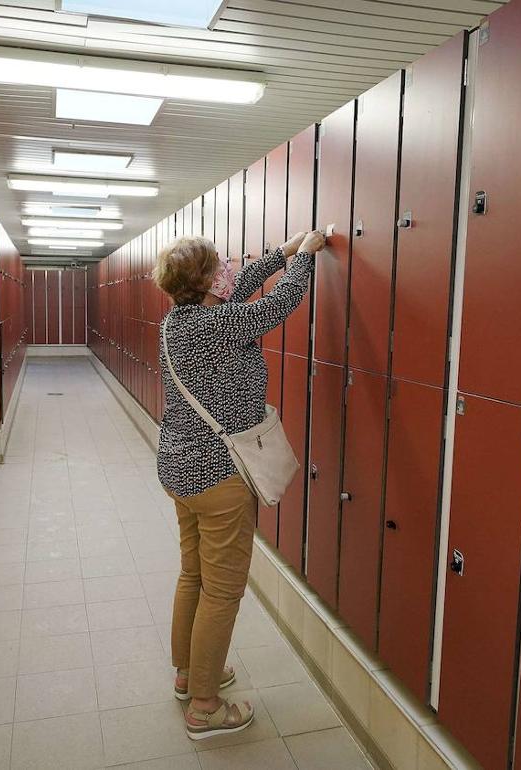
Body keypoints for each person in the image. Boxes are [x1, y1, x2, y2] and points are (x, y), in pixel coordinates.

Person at [153, 229, 326, 739]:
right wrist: (305, 259)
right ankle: (205, 707)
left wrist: (281, 253)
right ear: (207, 282)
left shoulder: (180, 321)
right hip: (219, 476)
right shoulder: (218, 324)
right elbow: (276, 306)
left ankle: (189, 675)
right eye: (219, 264)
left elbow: (243, 285)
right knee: (223, 591)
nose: (229, 266)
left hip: (181, 468)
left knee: (194, 575)